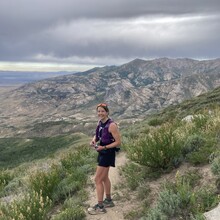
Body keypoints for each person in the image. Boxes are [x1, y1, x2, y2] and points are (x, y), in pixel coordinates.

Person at [88, 103, 121, 215]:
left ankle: (100, 207)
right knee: (105, 177)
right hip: (102, 152)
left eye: (102, 111)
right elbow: (97, 136)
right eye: (99, 111)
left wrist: (104, 147)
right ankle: (108, 200)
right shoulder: (100, 123)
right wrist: (94, 140)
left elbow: (118, 142)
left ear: (107, 112)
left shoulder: (112, 125)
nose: (100, 113)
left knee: (97, 179)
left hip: (108, 153)